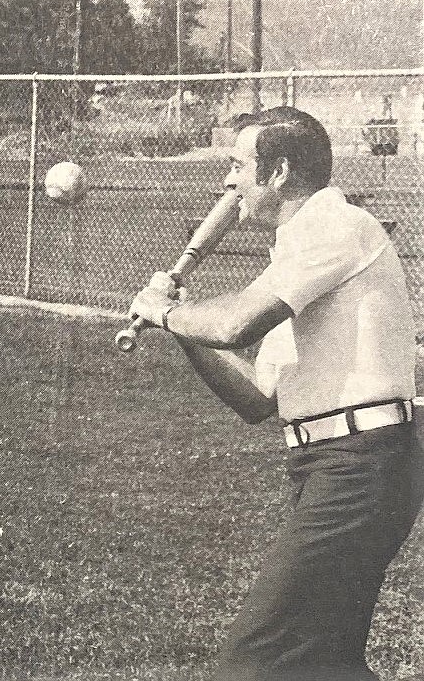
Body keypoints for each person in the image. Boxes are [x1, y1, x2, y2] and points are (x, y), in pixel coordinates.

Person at [128, 105, 424, 681]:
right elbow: (257, 398)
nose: (228, 180)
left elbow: (235, 324)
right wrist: (180, 327)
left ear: (280, 172)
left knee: (257, 658)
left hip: (363, 463)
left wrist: (168, 312)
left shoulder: (336, 227)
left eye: (238, 165)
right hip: (330, 464)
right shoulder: (296, 253)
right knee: (323, 663)